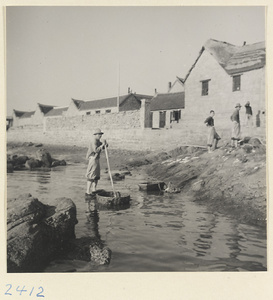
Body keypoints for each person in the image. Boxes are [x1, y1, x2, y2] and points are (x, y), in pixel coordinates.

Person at [85, 128, 108, 197]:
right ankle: (88, 192)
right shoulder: (93, 141)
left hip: (97, 158)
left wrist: (105, 144)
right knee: (91, 175)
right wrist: (102, 145)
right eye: (99, 134)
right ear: (96, 135)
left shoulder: (98, 141)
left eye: (101, 135)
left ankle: (94, 190)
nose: (100, 136)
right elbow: (96, 150)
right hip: (92, 158)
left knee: (96, 175)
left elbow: (103, 147)